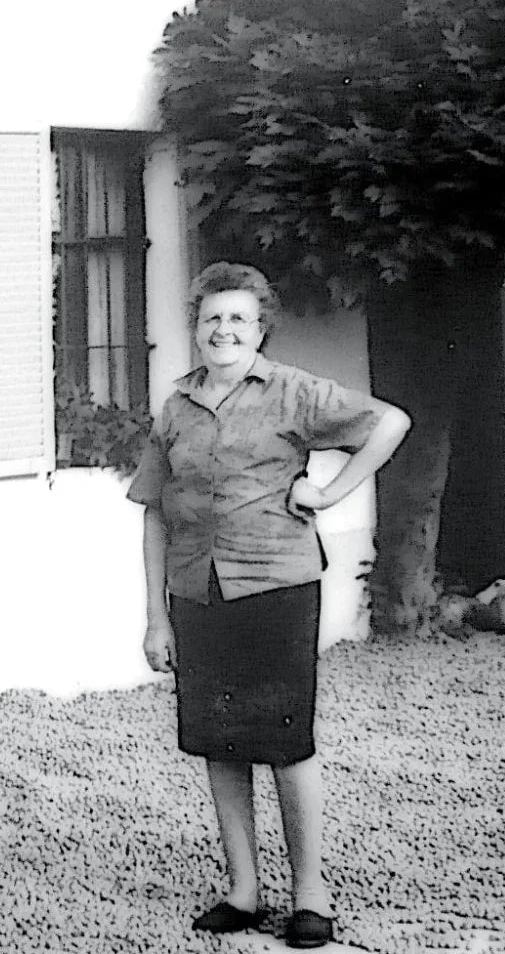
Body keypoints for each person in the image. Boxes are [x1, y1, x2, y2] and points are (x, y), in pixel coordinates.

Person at [127, 262, 410, 948]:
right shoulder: (174, 408)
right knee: (218, 741)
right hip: (197, 590)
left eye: (238, 319)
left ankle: (309, 893)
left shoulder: (292, 394)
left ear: (259, 330)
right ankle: (244, 890)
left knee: (286, 740)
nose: (224, 330)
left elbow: (390, 422)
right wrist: (156, 616)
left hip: (277, 584)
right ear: (195, 329)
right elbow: (155, 514)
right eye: (211, 318)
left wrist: (332, 492)